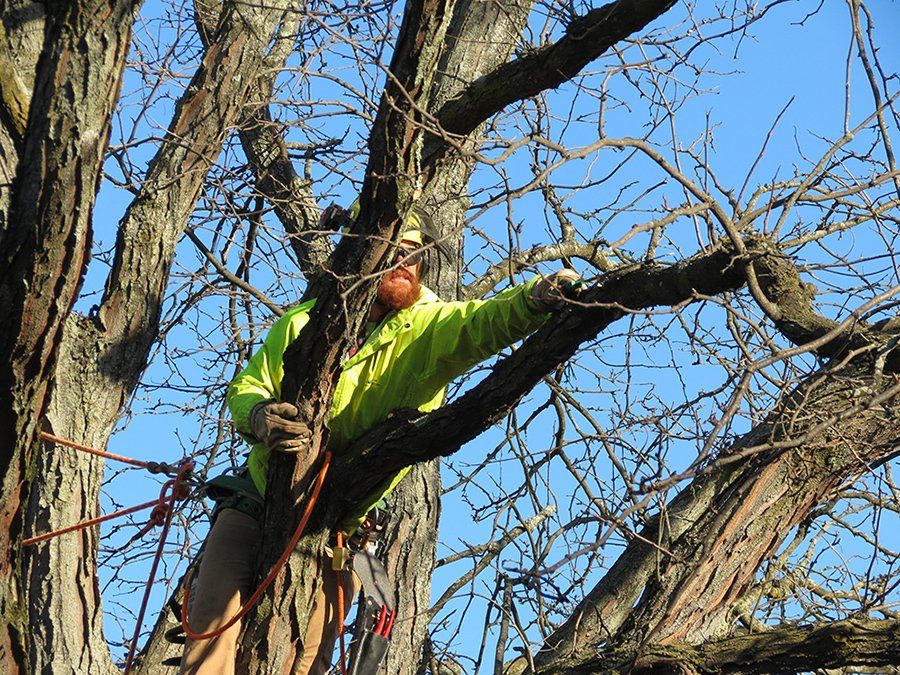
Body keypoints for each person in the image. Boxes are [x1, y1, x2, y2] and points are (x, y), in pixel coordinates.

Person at [179, 206, 579, 674]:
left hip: (340, 527)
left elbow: (482, 321)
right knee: (211, 633)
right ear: (362, 256)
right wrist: (260, 415)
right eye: (393, 253)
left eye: (414, 256)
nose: (405, 264)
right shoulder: (303, 323)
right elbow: (249, 386)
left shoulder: (429, 328)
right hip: (259, 500)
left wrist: (534, 297)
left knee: (307, 661)